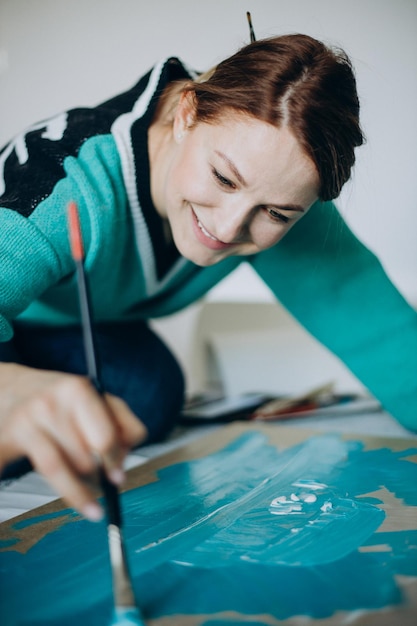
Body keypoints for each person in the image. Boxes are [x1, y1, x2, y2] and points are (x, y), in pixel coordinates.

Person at [0, 34, 416, 522]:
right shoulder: (65, 180)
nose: (227, 228)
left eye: (277, 215)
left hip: (71, 327)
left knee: (149, 395)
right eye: (223, 179)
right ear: (186, 115)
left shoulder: (285, 178)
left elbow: (378, 330)